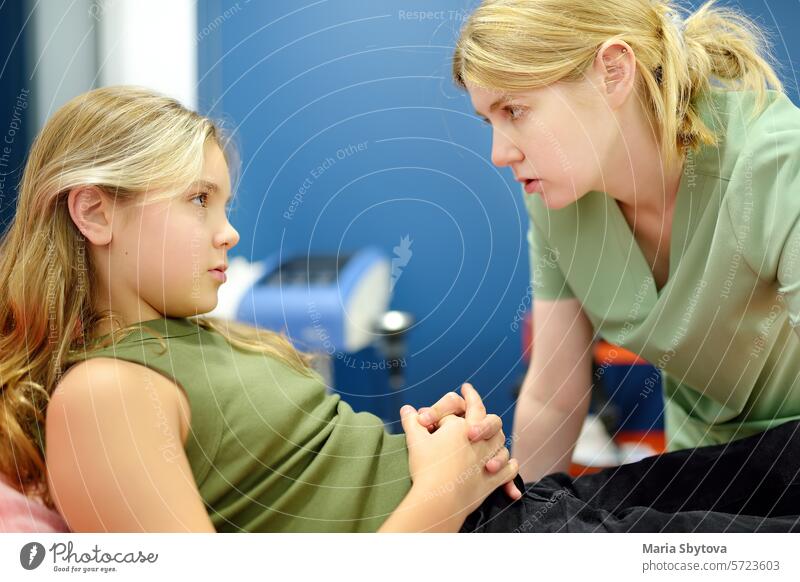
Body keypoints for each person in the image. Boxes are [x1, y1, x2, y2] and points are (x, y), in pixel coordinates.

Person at [0, 85, 520, 533]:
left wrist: (430, 443)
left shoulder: (200, 340)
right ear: (94, 213)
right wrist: (445, 488)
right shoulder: (103, 392)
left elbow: (315, 477)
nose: (229, 233)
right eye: (200, 199)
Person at [453, 0, 800, 487]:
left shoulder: (778, 163)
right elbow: (554, 397)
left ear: (612, 72)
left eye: (515, 109)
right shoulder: (559, 201)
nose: (500, 153)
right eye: (491, 121)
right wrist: (524, 536)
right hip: (698, 469)